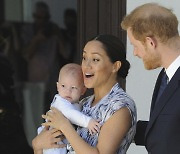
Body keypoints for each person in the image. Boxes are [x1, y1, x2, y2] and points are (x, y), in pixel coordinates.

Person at [32, 34, 137, 154]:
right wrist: (37, 145)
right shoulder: (82, 103)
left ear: (115, 66)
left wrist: (64, 126)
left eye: (95, 59)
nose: (86, 66)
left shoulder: (120, 107)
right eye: (84, 58)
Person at [121, 2, 180, 154]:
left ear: (150, 42)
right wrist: (118, 126)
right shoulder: (165, 75)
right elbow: (169, 132)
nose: (135, 53)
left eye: (135, 45)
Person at [38, 63, 101, 154]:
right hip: (53, 142)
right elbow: (71, 114)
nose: (68, 91)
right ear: (58, 87)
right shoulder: (61, 102)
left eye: (73, 88)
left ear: (83, 90)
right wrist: (88, 122)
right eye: (63, 86)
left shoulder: (78, 104)